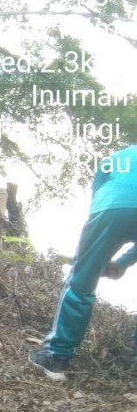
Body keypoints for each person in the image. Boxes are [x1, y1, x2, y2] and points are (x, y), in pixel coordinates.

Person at [30, 145, 137, 380]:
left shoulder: (117, 157)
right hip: (111, 209)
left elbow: (97, 197)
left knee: (82, 284)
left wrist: (98, 250)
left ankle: (57, 357)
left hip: (109, 210)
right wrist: (123, 262)